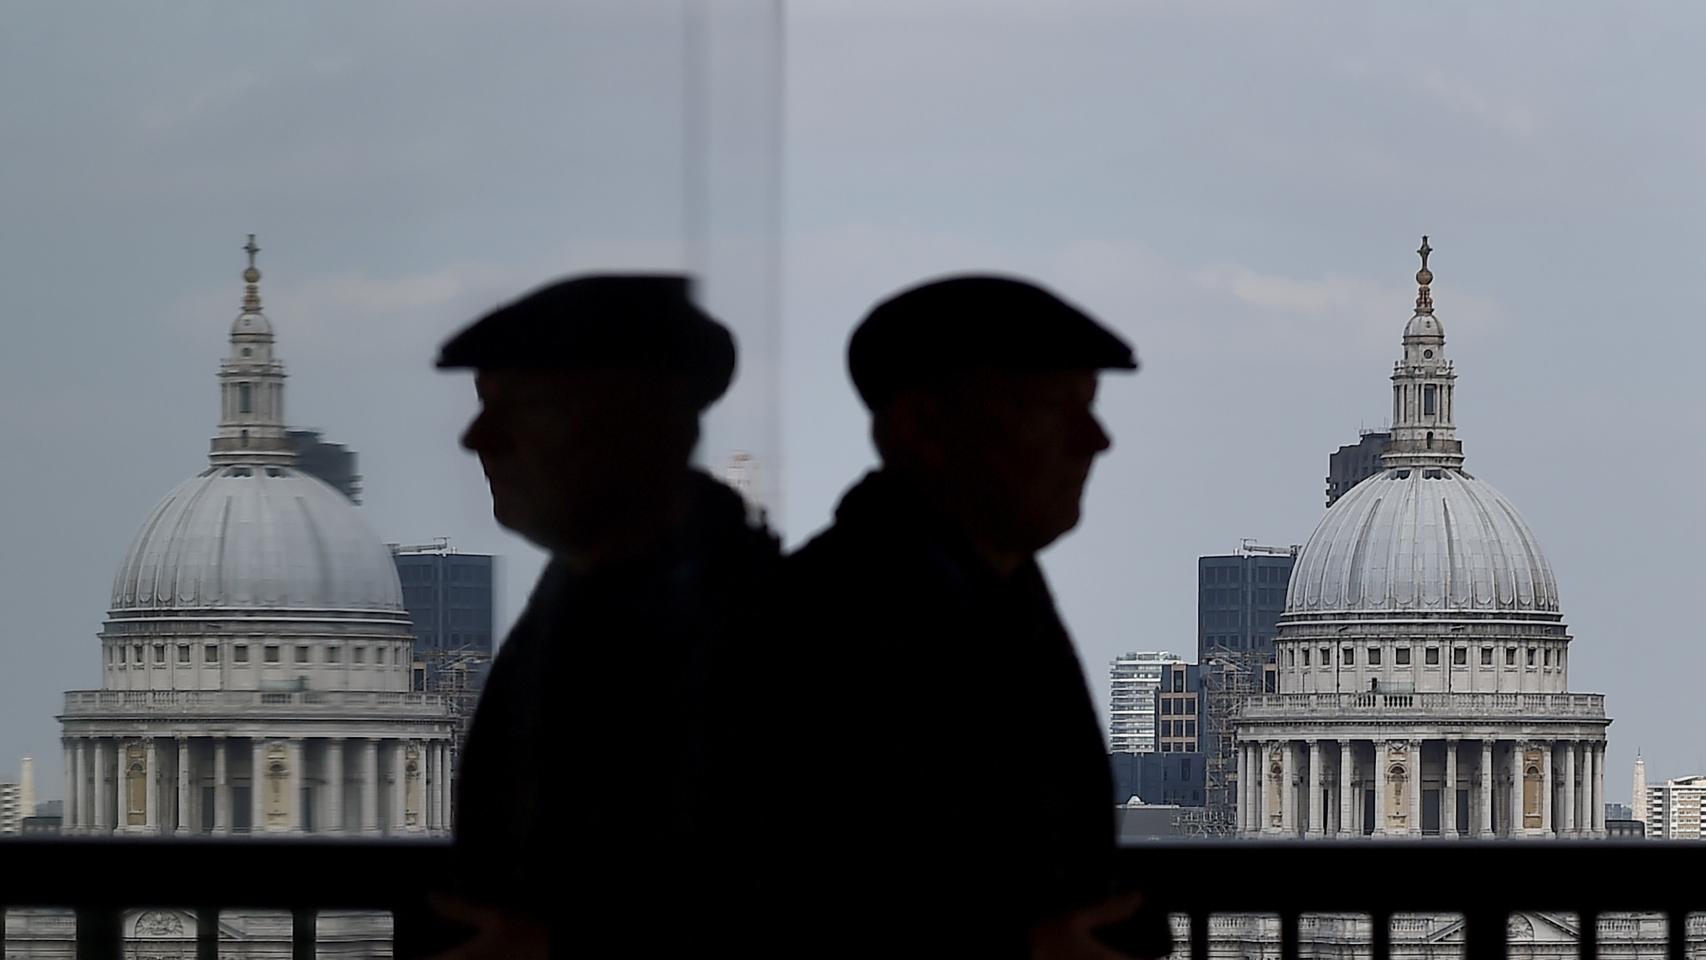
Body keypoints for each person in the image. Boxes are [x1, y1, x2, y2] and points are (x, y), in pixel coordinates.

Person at [780, 275, 1166, 958]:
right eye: (1055, 407)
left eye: (1091, 405)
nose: (1096, 439)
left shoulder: (994, 588)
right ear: (922, 425)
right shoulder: (843, 624)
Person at [422, 274, 782, 959]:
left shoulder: (723, 622)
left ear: (641, 425)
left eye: (522, 407)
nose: (476, 439)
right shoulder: (600, 590)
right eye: (482, 404)